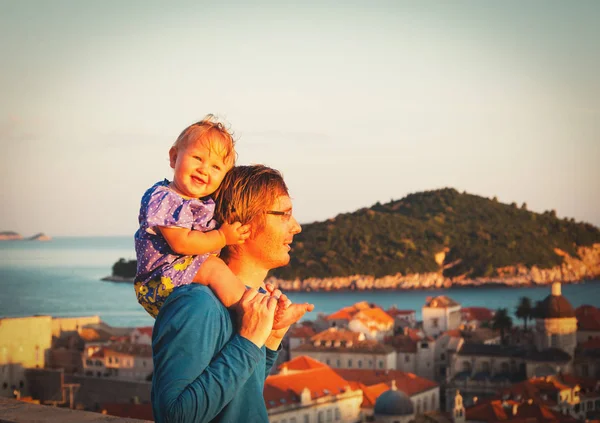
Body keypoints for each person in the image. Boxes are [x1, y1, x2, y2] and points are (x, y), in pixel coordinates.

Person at [151, 164, 312, 422]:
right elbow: (175, 416)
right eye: (284, 214)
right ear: (242, 222)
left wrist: (269, 339)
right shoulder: (197, 304)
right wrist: (248, 341)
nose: (296, 227)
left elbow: (240, 400)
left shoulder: (250, 301)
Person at [133, 115, 310, 328]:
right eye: (197, 158)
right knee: (213, 267)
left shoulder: (204, 204)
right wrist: (222, 236)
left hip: (181, 274)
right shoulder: (164, 198)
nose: (204, 169)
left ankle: (266, 312)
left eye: (216, 167)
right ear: (173, 157)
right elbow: (180, 243)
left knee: (225, 273)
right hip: (161, 279)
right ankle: (255, 314)